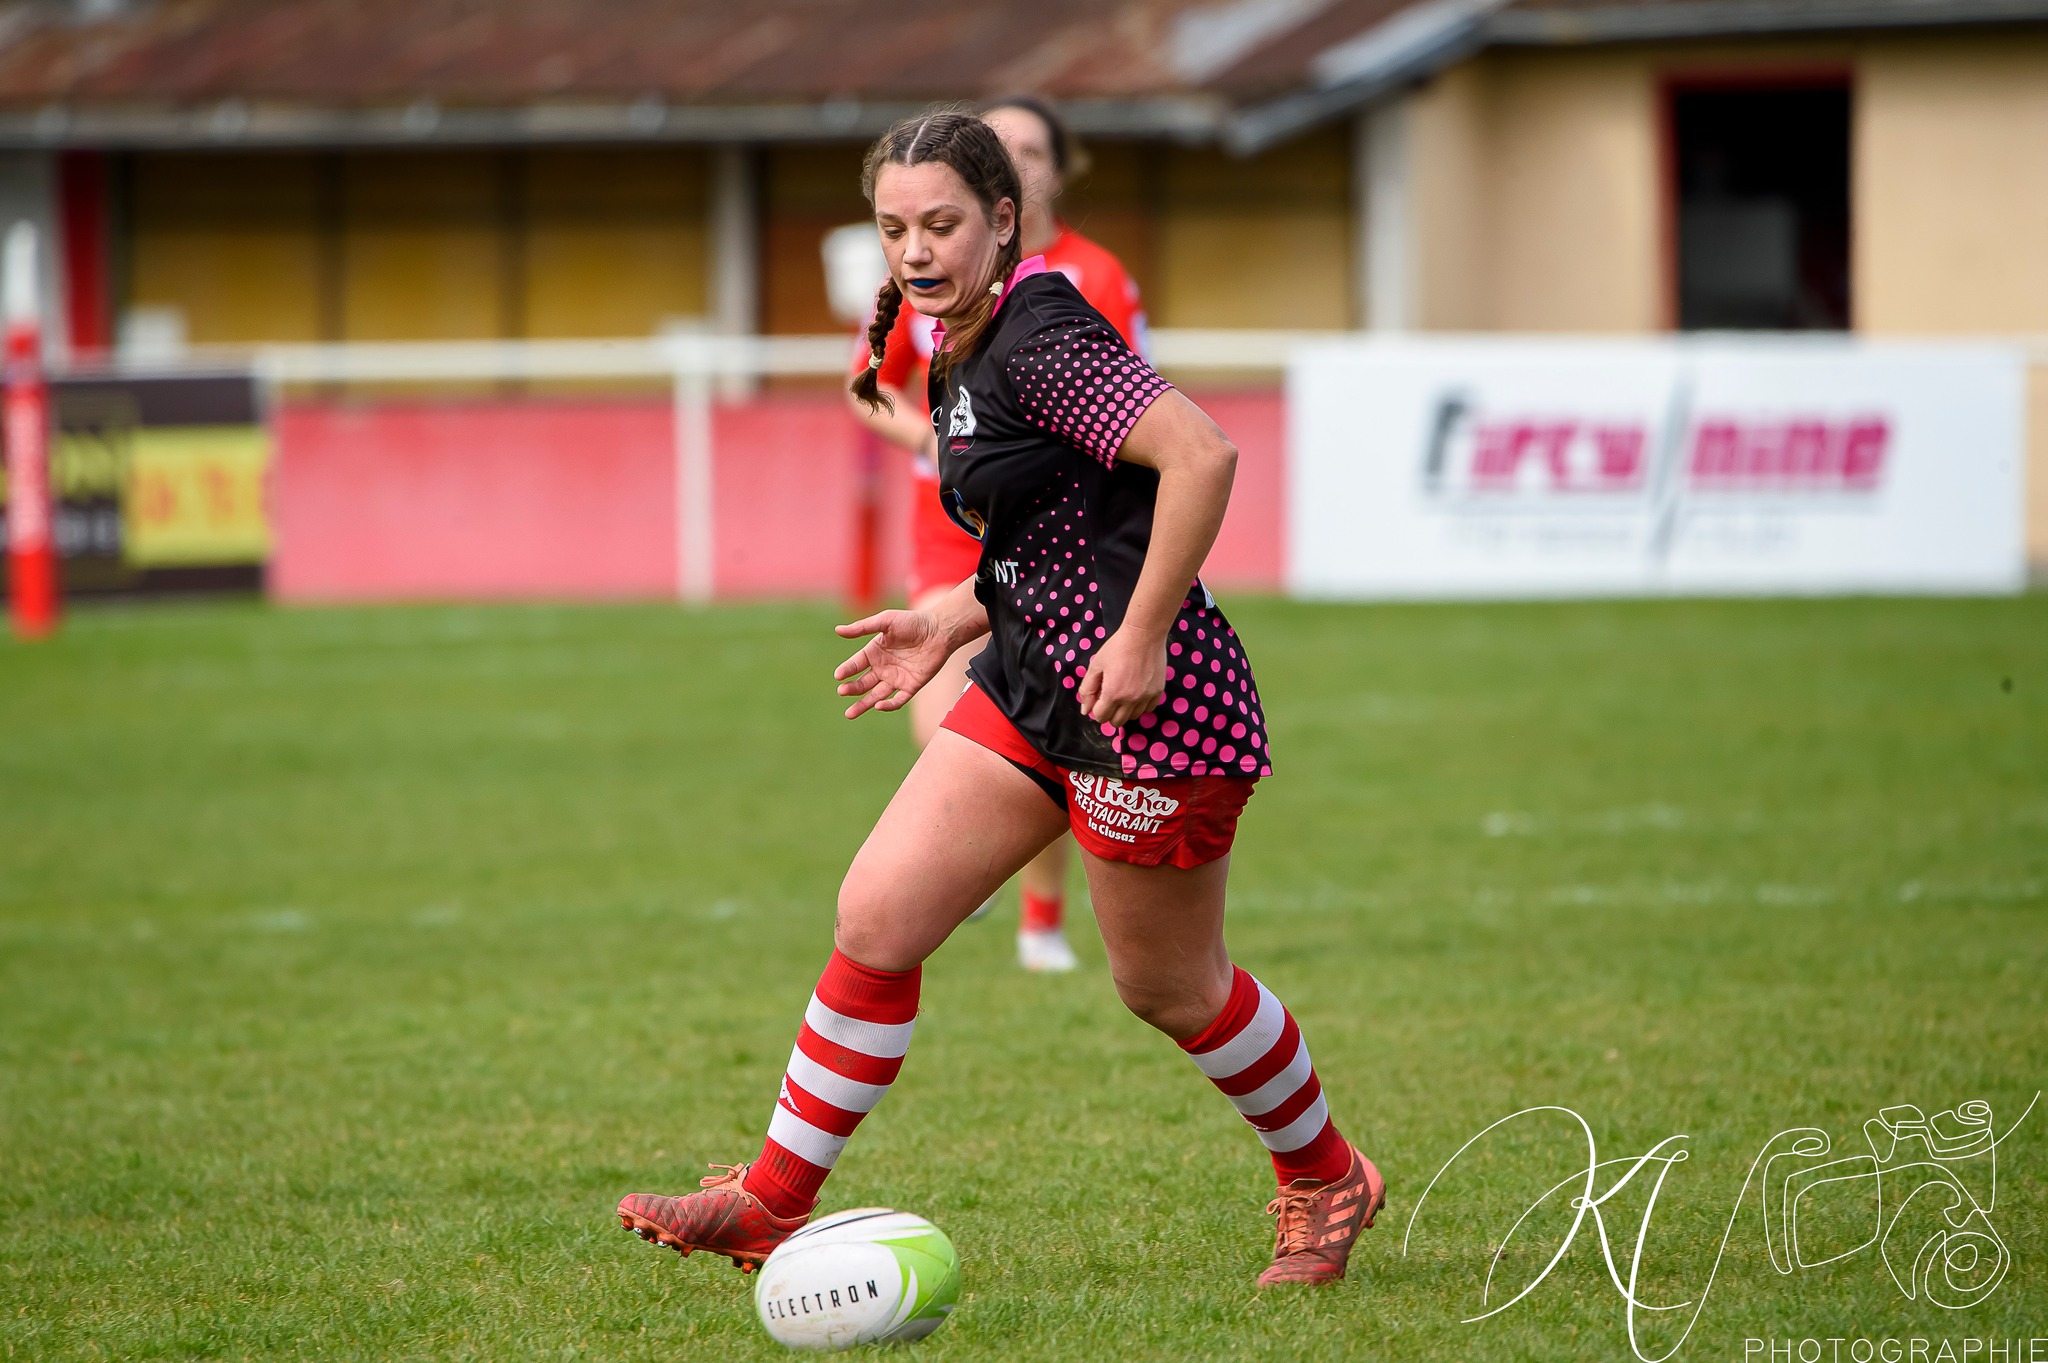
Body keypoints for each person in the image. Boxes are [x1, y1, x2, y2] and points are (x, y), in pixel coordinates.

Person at [621, 108, 1383, 1289]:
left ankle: (1324, 1173)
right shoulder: (954, 339)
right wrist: (948, 617)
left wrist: (1139, 641)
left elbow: (1201, 456)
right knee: (876, 912)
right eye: (892, 229)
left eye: (940, 224)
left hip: (1150, 710)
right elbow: (1056, 530)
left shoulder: (1039, 331)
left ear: (1003, 221)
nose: (915, 251)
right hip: (1030, 680)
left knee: (1169, 988)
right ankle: (770, 1204)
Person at [845, 95, 1147, 974]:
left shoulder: (1080, 286)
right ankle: (964, 854)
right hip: (961, 529)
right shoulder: (928, 277)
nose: (915, 245)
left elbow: (1164, 432)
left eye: (1029, 147)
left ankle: (1038, 918)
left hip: (1061, 536)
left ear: (1038, 179)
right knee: (972, 715)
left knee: (1050, 717)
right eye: (897, 226)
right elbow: (867, 386)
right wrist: (943, 437)